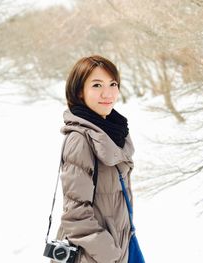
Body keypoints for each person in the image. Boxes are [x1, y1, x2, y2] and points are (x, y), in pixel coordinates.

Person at [54, 55, 135, 263]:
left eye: (113, 84)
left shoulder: (112, 133)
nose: (107, 93)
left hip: (119, 246)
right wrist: (111, 255)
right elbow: (75, 216)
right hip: (95, 256)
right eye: (97, 85)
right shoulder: (80, 140)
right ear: (80, 91)